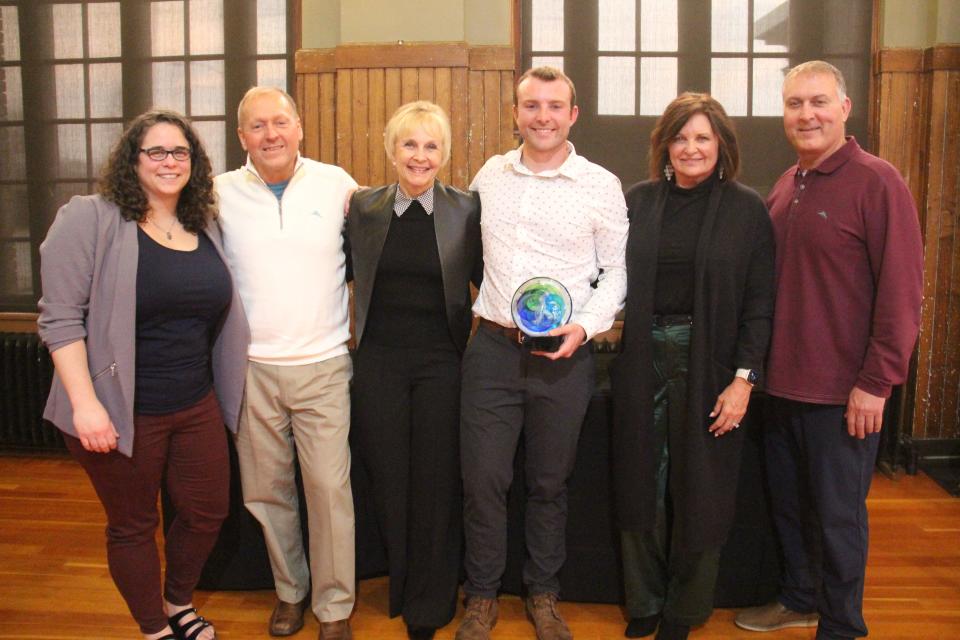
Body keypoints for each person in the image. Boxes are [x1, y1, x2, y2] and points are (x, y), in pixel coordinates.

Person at [37, 110, 249, 640]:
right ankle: (154, 629)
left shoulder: (205, 224)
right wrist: (86, 406)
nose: (169, 162)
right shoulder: (90, 217)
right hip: (117, 406)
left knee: (206, 512)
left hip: (195, 400)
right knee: (133, 525)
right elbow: (60, 319)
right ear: (132, 160)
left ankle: (178, 602)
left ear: (194, 164)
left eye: (180, 152)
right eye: (155, 151)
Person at [734, 61, 923, 640]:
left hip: (844, 393)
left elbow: (902, 291)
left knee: (839, 519)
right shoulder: (788, 183)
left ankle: (842, 624)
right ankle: (799, 599)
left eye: (818, 102)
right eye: (794, 104)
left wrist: (877, 381)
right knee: (789, 510)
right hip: (781, 386)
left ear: (845, 108)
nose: (806, 114)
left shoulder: (878, 181)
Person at [456, 66, 629, 640]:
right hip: (493, 352)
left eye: (555, 106)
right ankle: (481, 595)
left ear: (573, 115)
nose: (543, 117)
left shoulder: (600, 184)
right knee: (484, 480)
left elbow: (617, 271)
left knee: (550, 483)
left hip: (564, 356)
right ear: (516, 113)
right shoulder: (489, 176)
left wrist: (586, 327)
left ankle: (543, 593)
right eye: (532, 106)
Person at [609, 93, 775, 640]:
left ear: (721, 145)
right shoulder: (638, 201)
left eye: (702, 137)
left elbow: (760, 302)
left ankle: (686, 607)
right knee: (642, 481)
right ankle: (646, 600)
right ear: (665, 145)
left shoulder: (747, 209)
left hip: (711, 360)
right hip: (641, 357)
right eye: (680, 137)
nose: (690, 148)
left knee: (701, 485)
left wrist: (743, 381)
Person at [215, 87, 358, 640]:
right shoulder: (217, 193)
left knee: (327, 490)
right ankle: (290, 593)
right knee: (267, 492)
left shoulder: (337, 183)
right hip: (251, 370)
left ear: (299, 126)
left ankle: (335, 605)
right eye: (257, 126)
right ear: (241, 137)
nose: (270, 134)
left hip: (324, 365)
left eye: (279, 122)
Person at [348, 101, 482, 640]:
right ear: (391, 149)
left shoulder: (466, 210)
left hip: (442, 364)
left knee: (435, 480)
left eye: (431, 146)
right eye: (409, 144)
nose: (419, 156)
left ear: (444, 153)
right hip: (377, 362)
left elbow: (489, 279)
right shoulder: (361, 208)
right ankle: (400, 586)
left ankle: (431, 600)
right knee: (390, 477)